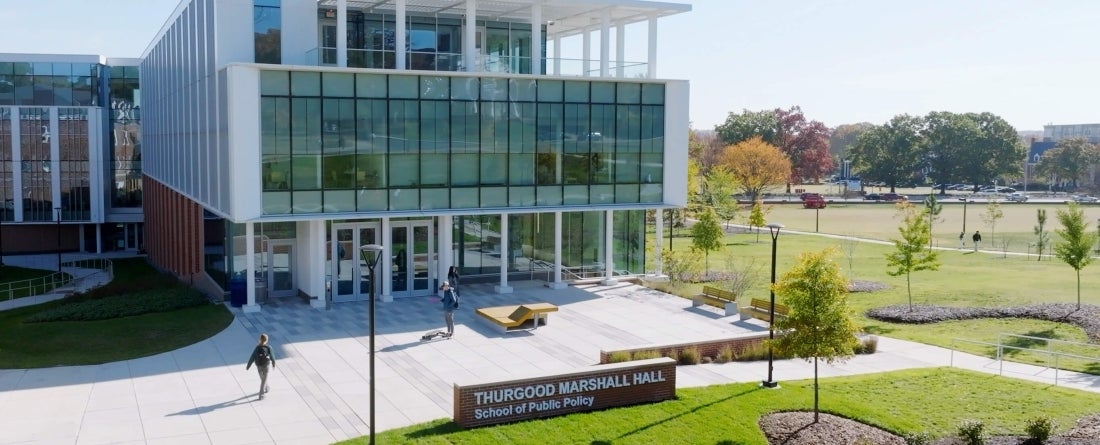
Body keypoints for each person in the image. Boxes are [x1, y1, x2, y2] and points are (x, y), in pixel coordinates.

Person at [246, 333, 276, 400]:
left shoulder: (257, 348)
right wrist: (273, 364)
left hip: (258, 365)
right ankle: (261, 395)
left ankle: (267, 387)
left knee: (263, 379)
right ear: (266, 340)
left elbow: (252, 357)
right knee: (264, 379)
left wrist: (248, 366)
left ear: (260, 339)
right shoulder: (269, 347)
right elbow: (272, 357)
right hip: (266, 365)